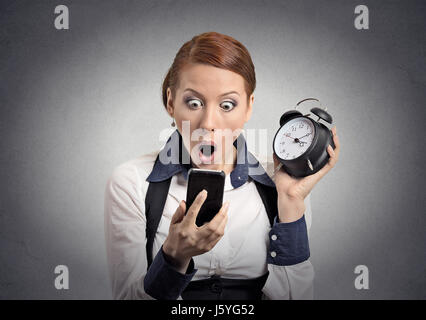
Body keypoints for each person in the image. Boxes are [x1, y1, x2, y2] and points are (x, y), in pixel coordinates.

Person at [104, 31, 340, 300]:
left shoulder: (281, 183)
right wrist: (174, 256)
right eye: (193, 103)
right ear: (171, 102)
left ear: (248, 107)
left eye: (227, 105)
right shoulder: (132, 181)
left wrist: (291, 203)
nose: (208, 123)